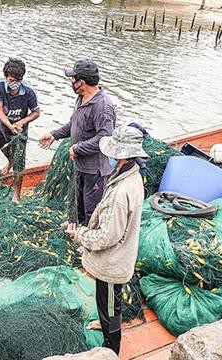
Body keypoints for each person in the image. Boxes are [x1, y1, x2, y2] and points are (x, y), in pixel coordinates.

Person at [65, 125, 148, 355]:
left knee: (111, 308)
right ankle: (104, 325)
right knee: (107, 303)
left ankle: (111, 349)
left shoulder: (122, 193)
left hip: (113, 264)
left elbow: (107, 236)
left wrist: (78, 234)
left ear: (121, 154)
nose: (109, 156)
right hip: (118, 258)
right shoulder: (132, 174)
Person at [39, 59, 115, 225]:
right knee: (78, 200)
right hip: (80, 165)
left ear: (82, 82)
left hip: (95, 169)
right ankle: (75, 225)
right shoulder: (81, 98)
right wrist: (54, 135)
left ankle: (88, 239)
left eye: (73, 79)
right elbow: (74, 123)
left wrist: (77, 149)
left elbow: (105, 137)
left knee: (91, 206)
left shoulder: (102, 106)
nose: (72, 83)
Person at [0, 58, 41, 202]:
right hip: (3, 128)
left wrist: (22, 121)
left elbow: (36, 112)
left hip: (20, 133)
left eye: (18, 80)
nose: (14, 83)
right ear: (6, 77)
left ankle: (16, 195)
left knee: (19, 164)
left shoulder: (29, 91)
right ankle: (10, 160)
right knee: (5, 150)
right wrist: (9, 125)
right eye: (11, 79)